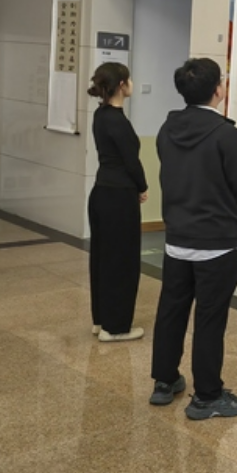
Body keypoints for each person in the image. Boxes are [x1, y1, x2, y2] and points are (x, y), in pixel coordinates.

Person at [148, 58, 237, 420]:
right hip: (217, 245)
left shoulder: (167, 129)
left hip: (177, 240)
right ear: (218, 90)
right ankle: (208, 396)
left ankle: (164, 381)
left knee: (171, 311)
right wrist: (229, 219)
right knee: (210, 320)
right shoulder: (226, 135)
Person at [86, 62, 148, 342]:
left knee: (102, 258)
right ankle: (116, 327)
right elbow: (131, 162)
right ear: (122, 85)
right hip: (120, 197)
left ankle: (101, 320)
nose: (132, 83)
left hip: (101, 193)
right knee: (122, 261)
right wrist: (142, 187)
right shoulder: (118, 121)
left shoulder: (100, 115)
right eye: (129, 79)